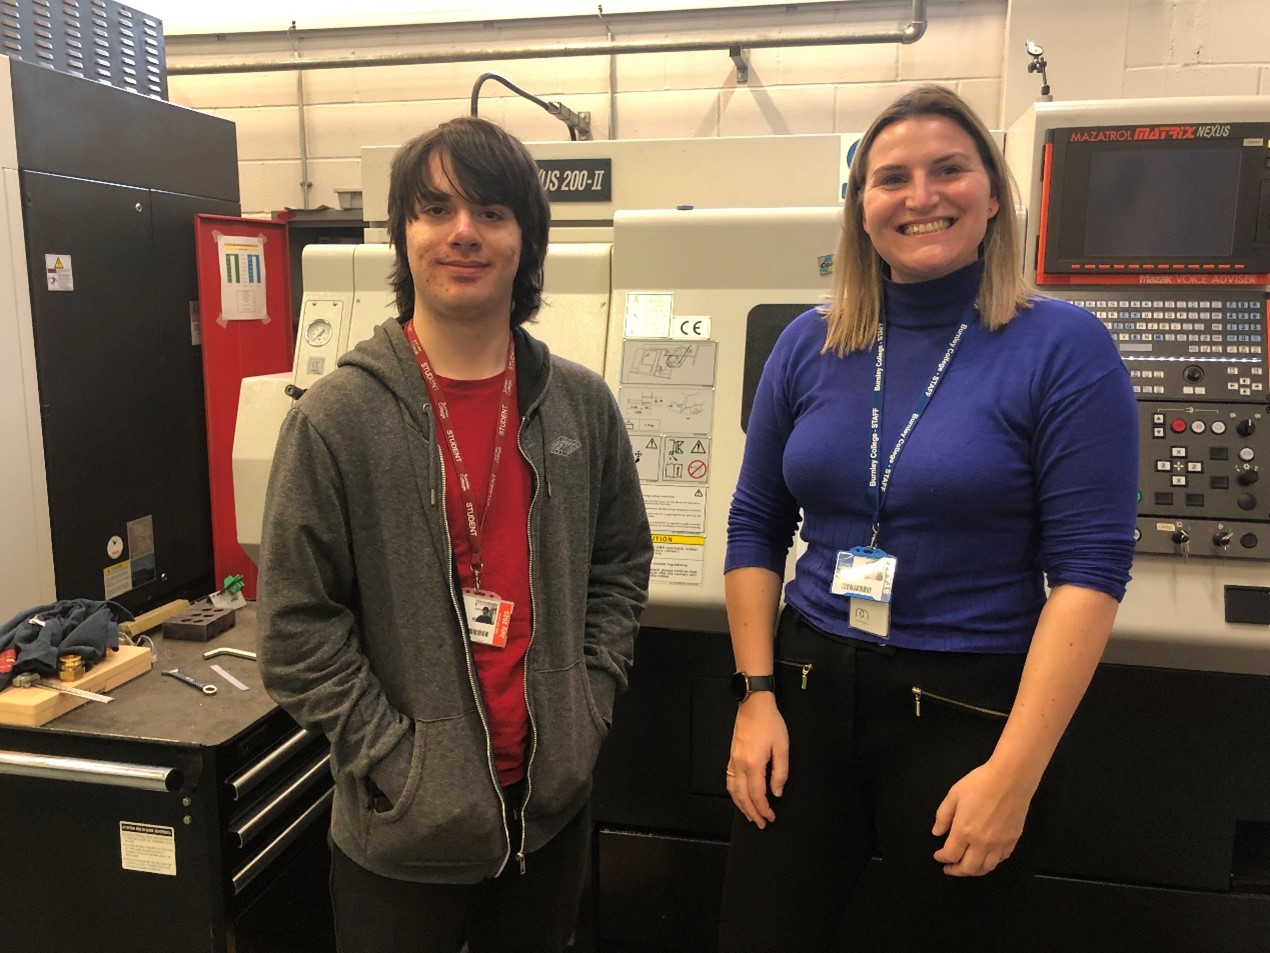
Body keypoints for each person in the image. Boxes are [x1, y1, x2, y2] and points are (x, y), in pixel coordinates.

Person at [718, 85, 1138, 952]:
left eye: (949, 169)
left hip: (966, 709)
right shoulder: (811, 343)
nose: (921, 196)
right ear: (860, 209)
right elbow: (756, 522)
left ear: (993, 194)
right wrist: (755, 696)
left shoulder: (1062, 347)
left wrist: (1015, 776)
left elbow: (1091, 570)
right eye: (892, 178)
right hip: (804, 693)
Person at [258, 116, 652, 953]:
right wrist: (404, 766)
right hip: (401, 844)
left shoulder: (582, 407)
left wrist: (588, 703)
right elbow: (295, 632)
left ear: (525, 240)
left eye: (492, 211)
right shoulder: (337, 421)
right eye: (435, 209)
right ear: (405, 236)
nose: (463, 231)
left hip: (546, 824)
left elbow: (620, 563)